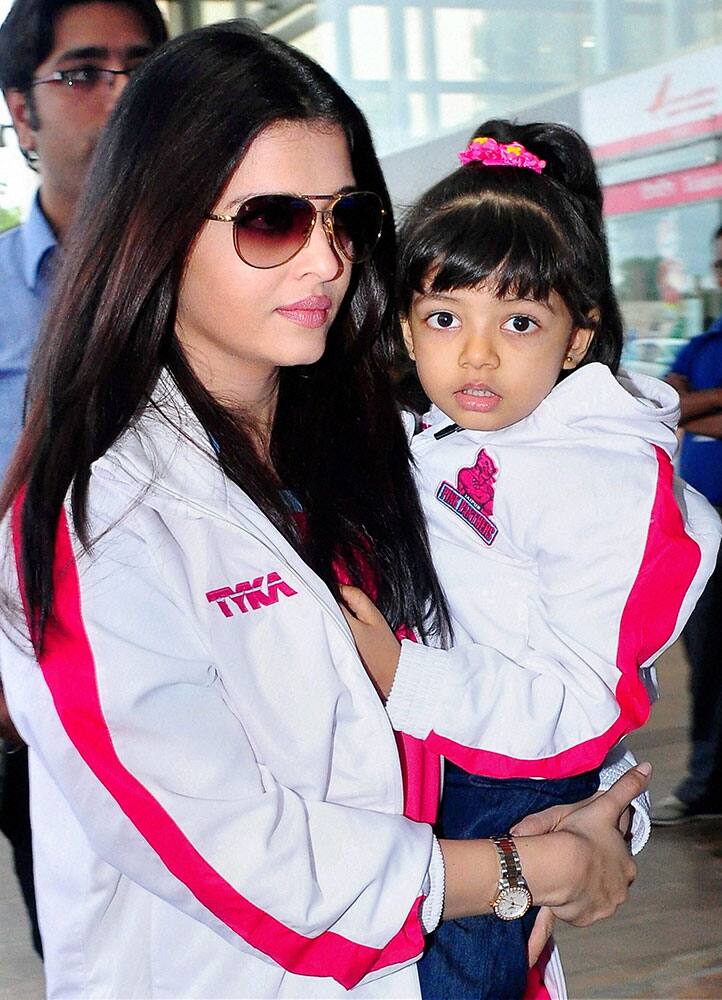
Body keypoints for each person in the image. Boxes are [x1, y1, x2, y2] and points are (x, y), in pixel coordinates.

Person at [0, 25, 649, 998]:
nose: (324, 261)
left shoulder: (398, 447)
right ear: (158, 223)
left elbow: (540, 660)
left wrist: (594, 818)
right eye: (270, 220)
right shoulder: (92, 517)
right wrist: (515, 872)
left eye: (344, 216)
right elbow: (229, 855)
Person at [342, 122, 721, 1000]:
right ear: (406, 325)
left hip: (506, 783)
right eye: (445, 317)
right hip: (438, 756)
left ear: (578, 336)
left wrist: (406, 678)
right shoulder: (441, 432)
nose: (476, 353)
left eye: (518, 321)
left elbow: (584, 704)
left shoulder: (599, 481)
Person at [0, 0, 167, 954]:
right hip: (39, 725)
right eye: (83, 72)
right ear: (21, 112)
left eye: (142, 68)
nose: (121, 95)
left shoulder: (240, 269)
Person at [653, 223, 722, 825]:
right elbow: (666, 401)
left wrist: (701, 410)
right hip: (709, 536)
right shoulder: (706, 341)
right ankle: (707, 784)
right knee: (708, 661)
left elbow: (684, 410)